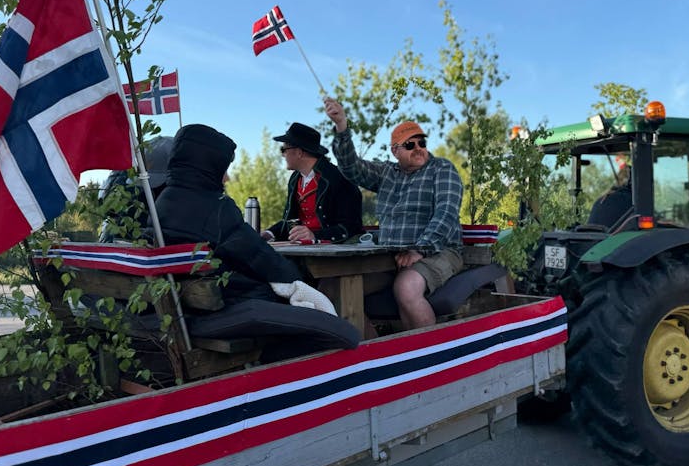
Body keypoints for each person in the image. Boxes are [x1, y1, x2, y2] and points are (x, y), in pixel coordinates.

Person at [154, 123, 331, 310]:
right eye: (223, 169)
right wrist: (299, 283)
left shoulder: (161, 202)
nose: (227, 178)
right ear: (209, 166)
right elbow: (261, 257)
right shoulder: (217, 207)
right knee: (335, 324)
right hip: (226, 306)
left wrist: (270, 233)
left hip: (185, 306)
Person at [323, 97, 464, 329]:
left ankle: (430, 357)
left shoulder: (442, 168)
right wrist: (342, 127)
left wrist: (420, 249)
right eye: (410, 145)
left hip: (439, 250)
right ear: (395, 151)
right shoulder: (386, 173)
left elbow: (447, 213)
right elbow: (350, 167)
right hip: (391, 255)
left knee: (406, 288)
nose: (418, 148)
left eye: (422, 142)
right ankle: (373, 351)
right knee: (330, 289)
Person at [262, 122, 363, 244]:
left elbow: (351, 227)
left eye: (284, 149)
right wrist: (268, 233)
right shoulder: (295, 179)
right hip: (302, 250)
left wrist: (315, 235)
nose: (283, 155)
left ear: (299, 152)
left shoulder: (340, 178)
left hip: (333, 256)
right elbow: (290, 221)